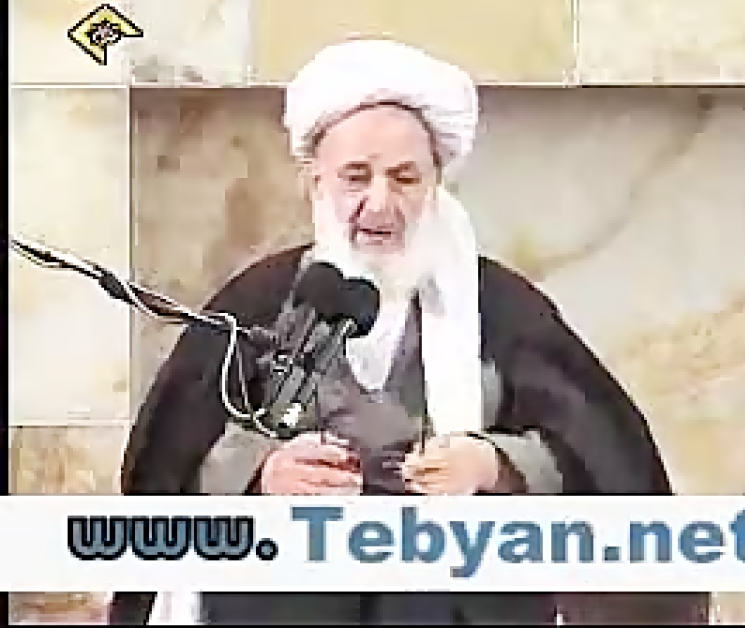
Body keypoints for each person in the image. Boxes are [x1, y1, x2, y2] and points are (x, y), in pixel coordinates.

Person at [109, 39, 709, 625]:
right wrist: (263, 474)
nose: (379, 203)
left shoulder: (500, 308)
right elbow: (169, 469)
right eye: (356, 177)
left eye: (404, 178)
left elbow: (601, 458)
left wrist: (494, 464)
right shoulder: (261, 302)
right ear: (316, 184)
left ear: (434, 185)